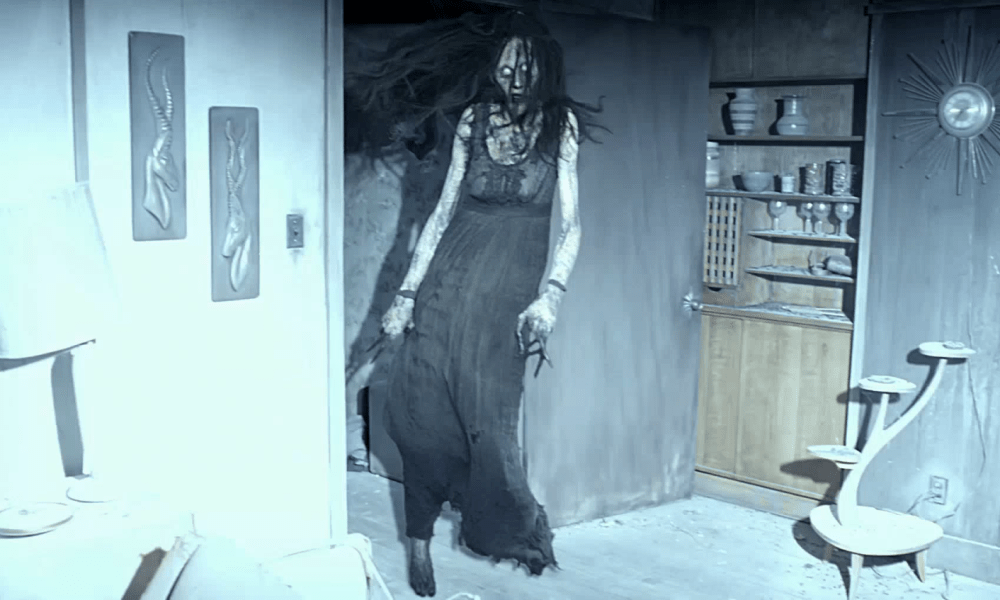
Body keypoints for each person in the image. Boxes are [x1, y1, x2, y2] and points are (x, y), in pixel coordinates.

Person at [350, 9, 604, 597]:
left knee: (489, 425)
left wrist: (550, 299)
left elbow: (572, 225)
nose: (514, 76)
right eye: (505, 65)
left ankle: (502, 524)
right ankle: (417, 539)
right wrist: (405, 296)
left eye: (525, 65)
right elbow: (441, 214)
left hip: (505, 303)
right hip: (445, 284)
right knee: (421, 413)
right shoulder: (474, 119)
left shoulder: (559, 126)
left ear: (545, 68)